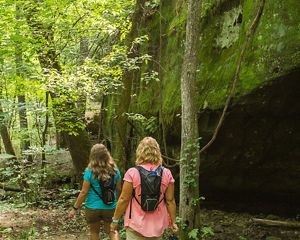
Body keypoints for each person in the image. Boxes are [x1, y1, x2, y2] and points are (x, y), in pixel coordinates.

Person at [110, 137, 179, 239]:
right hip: (157, 225)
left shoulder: (132, 172)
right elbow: (170, 200)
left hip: (135, 224)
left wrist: (115, 220)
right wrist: (173, 222)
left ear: (140, 151)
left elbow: (124, 199)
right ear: (157, 151)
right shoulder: (166, 173)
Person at [69, 143, 121, 240]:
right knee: (112, 231)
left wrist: (74, 208)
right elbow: (118, 189)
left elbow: (84, 192)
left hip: (92, 207)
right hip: (110, 206)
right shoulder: (115, 170)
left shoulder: (90, 171)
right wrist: (117, 204)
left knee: (94, 232)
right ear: (107, 155)